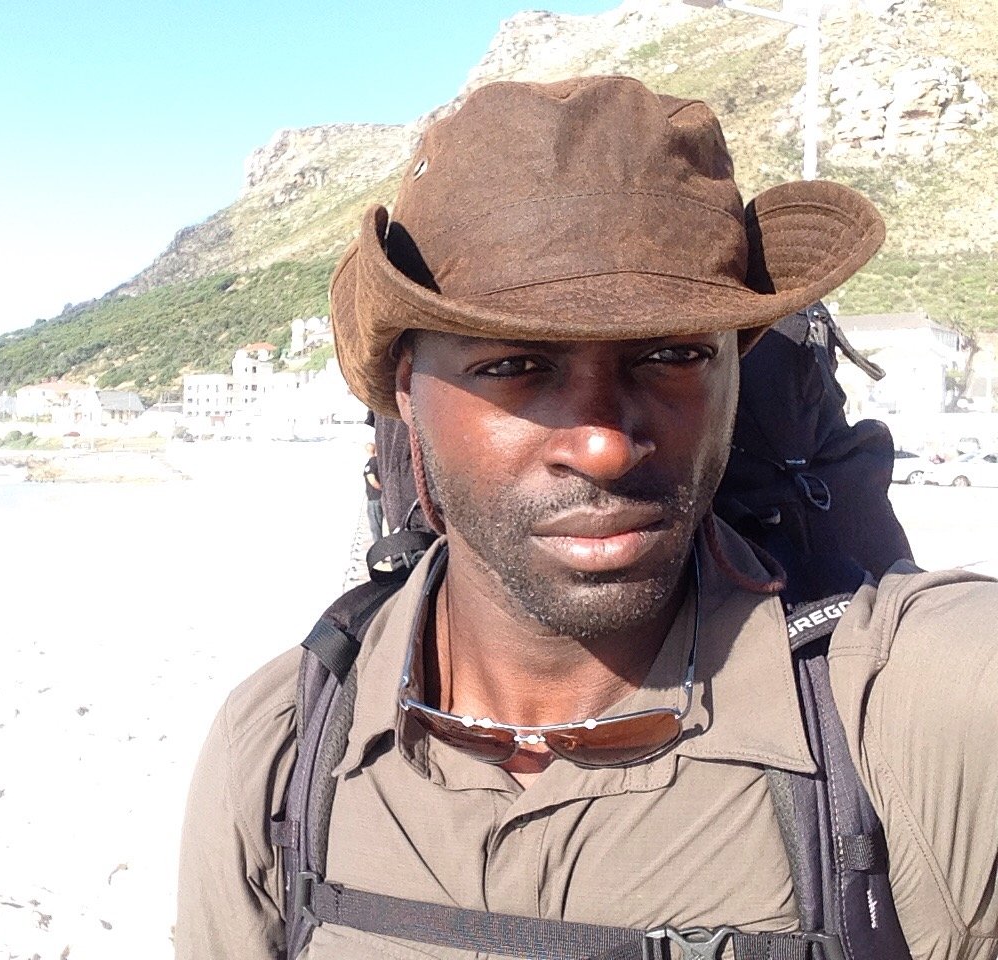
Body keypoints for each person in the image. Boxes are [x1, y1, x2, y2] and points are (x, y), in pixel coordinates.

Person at [176, 77, 998, 960]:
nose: (604, 446)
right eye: (517, 364)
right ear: (409, 394)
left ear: (733, 372)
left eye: (673, 355)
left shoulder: (909, 712)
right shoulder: (281, 754)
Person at [362, 441, 384, 541]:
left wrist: (381, 488)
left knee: (376, 527)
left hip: (374, 499)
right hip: (383, 498)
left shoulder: (370, 464)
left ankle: (379, 550)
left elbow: (372, 479)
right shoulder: (381, 462)